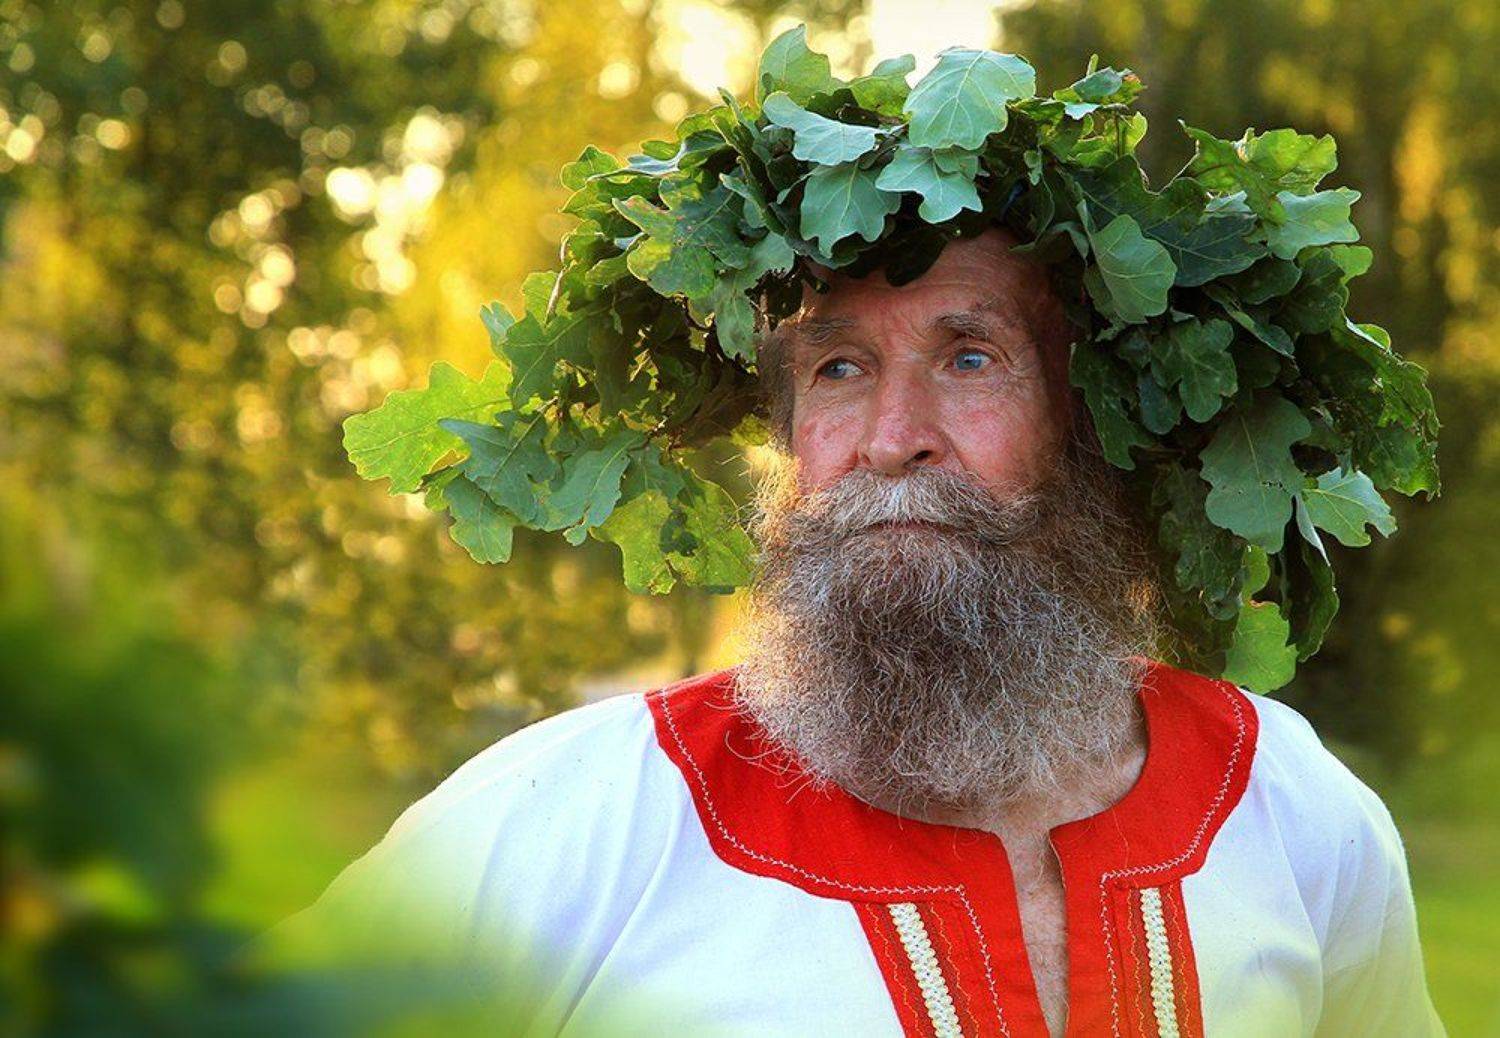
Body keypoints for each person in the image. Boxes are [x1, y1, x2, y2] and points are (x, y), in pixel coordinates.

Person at [272, 226, 1444, 1037]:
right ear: (787, 441)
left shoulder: (1288, 806)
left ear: (1092, 427)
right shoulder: (574, 823)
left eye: (971, 357)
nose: (893, 437)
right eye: (838, 367)